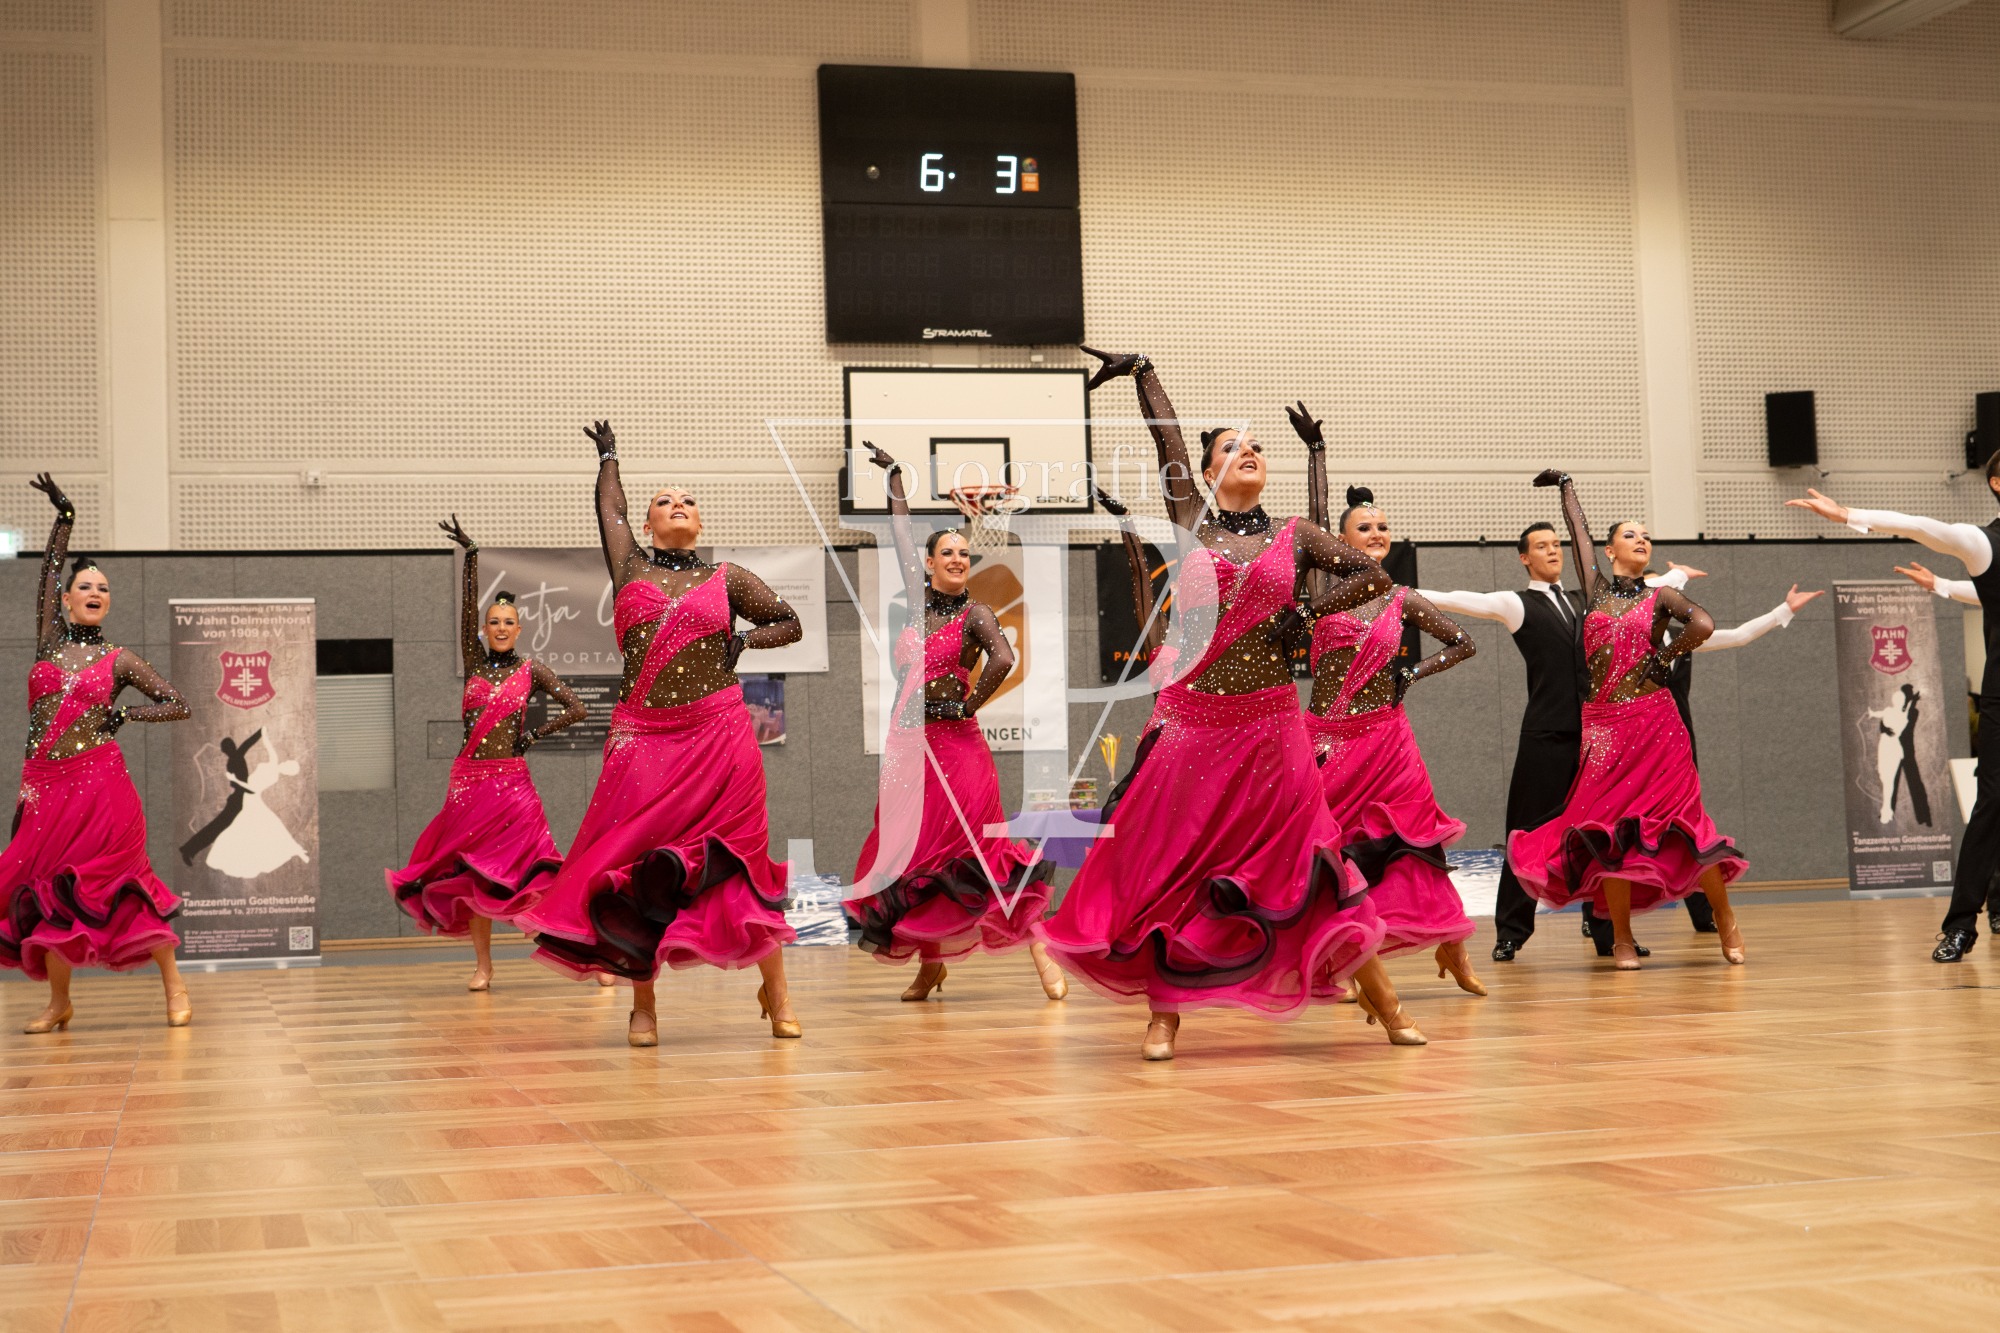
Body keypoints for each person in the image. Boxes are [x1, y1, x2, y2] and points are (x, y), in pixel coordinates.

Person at [1038, 350, 1420, 1061]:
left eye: (1256, 446)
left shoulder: (1297, 537)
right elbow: (1168, 441)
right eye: (1230, 447)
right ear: (1208, 471)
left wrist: (1308, 614)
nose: (1248, 451)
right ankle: (1164, 1016)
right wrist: (1144, 373)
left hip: (1273, 726)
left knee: (1313, 855)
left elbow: (1371, 576)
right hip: (1193, 722)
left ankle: (1387, 1001)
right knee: (1172, 862)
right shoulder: (1191, 519)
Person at [515, 422, 804, 1046]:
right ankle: (643, 1005)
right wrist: (609, 457)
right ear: (646, 525)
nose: (679, 504)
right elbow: (609, 509)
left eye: (689, 500)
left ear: (700, 522)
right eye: (664, 500)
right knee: (638, 867)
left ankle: (777, 992)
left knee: (738, 862)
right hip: (644, 738)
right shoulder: (630, 568)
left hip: (721, 735)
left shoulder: (728, 578)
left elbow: (789, 622)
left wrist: (744, 640)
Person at [845, 444, 1063, 1001]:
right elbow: (899, 534)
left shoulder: (977, 614)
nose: (959, 560)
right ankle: (931, 965)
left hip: (957, 745)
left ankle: (1039, 948)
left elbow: (1004, 660)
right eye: (948, 552)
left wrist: (969, 705)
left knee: (978, 853)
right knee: (916, 856)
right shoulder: (913, 604)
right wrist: (896, 480)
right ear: (929, 563)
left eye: (964, 553)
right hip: (907, 746)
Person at [1506, 472, 1747, 970]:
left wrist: (1664, 658)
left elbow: (1703, 624)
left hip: (1657, 725)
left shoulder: (1659, 597)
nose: (1642, 541)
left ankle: (1724, 917)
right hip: (1604, 728)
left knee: (1685, 825)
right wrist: (1567, 488)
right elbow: (1578, 532)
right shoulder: (1594, 591)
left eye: (1646, 536)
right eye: (1630, 535)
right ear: (1610, 550)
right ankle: (1620, 936)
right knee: (1608, 831)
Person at [1293, 409, 1483, 994]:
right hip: (1327, 741)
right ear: (1342, 542)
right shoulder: (1324, 589)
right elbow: (1315, 515)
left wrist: (1413, 673)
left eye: (1382, 527)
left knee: (1415, 844)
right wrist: (1317, 454)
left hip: (1389, 740)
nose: (1376, 534)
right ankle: (1350, 956)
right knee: (1333, 849)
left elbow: (1464, 642)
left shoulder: (1402, 598)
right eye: (1364, 528)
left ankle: (1452, 946)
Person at [1, 475, 193, 1031]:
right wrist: (64, 518)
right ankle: (59, 1002)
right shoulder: (48, 640)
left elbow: (178, 704)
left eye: (103, 588)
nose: (95, 593)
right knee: (46, 891)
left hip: (102, 786)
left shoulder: (121, 659)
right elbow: (48, 570)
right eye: (85, 586)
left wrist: (127, 714)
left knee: (122, 885)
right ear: (66, 599)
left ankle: (175, 987)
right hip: (44, 786)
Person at [1790, 480, 1999, 962]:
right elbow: (1921, 525)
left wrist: (1944, 587)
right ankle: (1961, 925)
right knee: (1993, 804)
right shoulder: (1984, 541)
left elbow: (1984, 594)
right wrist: (1848, 515)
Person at [386, 518, 586, 991]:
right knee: (473, 876)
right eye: (493, 622)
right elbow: (465, 609)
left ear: (519, 629)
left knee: (539, 873)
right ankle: (483, 966)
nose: (500, 627)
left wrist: (533, 736)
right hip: (468, 782)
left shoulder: (532, 669)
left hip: (513, 782)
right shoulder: (474, 660)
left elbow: (576, 708)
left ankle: (582, 951)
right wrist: (471, 556)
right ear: (484, 629)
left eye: (508, 622)